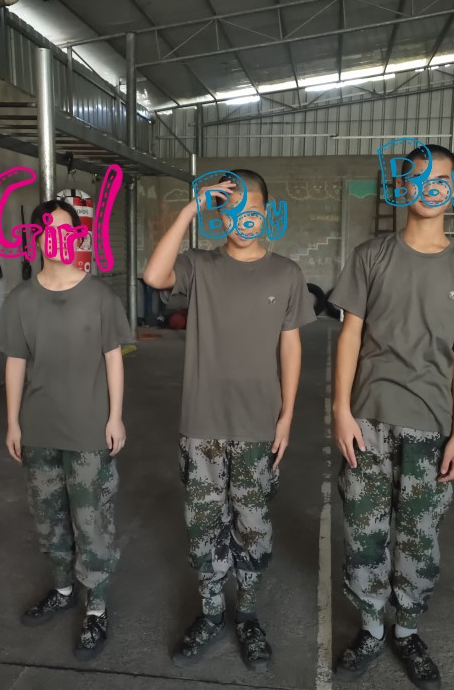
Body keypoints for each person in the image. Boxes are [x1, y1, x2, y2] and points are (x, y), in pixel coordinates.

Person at [329, 145, 454, 688]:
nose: (430, 187)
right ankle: (369, 629)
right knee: (364, 532)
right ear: (401, 186)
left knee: (419, 536)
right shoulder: (370, 256)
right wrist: (340, 409)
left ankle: (406, 631)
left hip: (431, 426)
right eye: (419, 177)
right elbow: (350, 335)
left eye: (441, 179)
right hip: (369, 418)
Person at [143, 169, 317, 673]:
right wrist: (189, 210)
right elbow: (154, 276)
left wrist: (287, 415)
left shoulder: (286, 273)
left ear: (268, 213)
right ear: (219, 216)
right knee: (204, 525)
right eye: (232, 210)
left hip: (258, 424)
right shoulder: (199, 266)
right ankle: (211, 612)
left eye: (252, 210)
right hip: (202, 424)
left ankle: (247, 614)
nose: (243, 220)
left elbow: (291, 345)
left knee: (252, 523)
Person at [0, 199, 133, 661]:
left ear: (77, 237)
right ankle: (62, 589)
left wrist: (115, 416)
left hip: (89, 430)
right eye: (48, 231)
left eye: (66, 231)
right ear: (35, 238)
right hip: (40, 429)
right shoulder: (21, 300)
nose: (58, 239)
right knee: (49, 517)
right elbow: (15, 363)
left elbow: (113, 358)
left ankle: (96, 608)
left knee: (92, 521)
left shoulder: (100, 296)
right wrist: (13, 422)